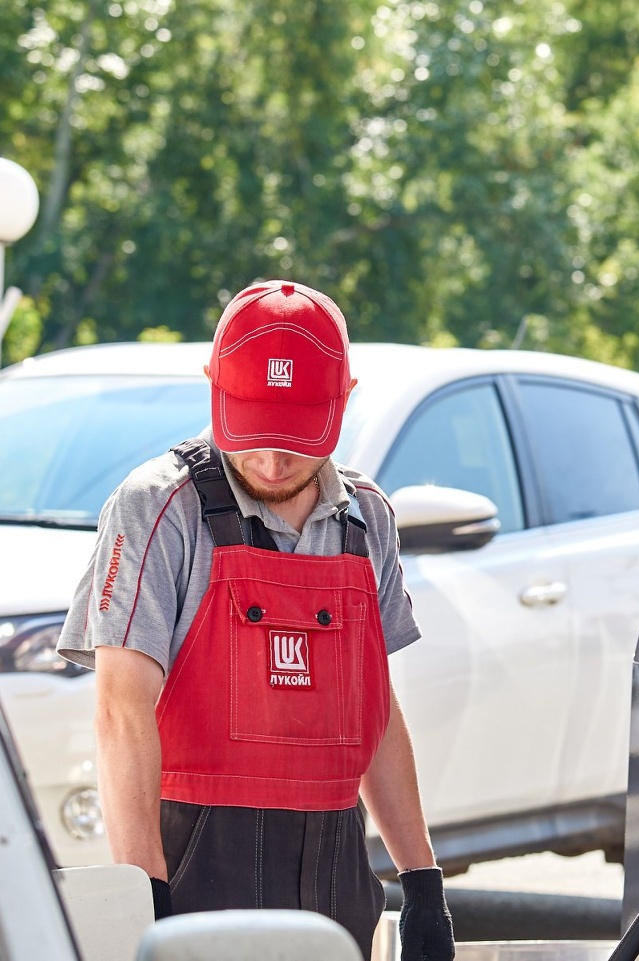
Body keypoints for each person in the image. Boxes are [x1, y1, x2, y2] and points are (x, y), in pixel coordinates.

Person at [57, 280, 455, 960]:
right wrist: (145, 896)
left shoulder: (367, 519)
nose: (272, 461)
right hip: (195, 866)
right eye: (254, 435)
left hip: (334, 871)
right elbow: (121, 714)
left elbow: (375, 712)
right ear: (215, 392)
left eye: (295, 440)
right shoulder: (159, 507)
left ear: (343, 400)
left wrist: (420, 878)